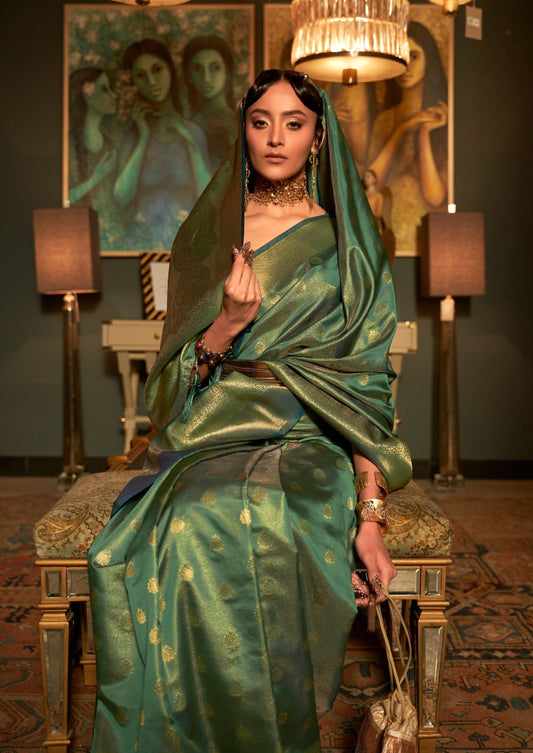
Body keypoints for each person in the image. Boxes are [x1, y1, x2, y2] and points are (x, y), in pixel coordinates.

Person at [88, 69, 412, 753]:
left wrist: (371, 514)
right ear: (243, 128)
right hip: (215, 429)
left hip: (308, 433)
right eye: (260, 120)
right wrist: (227, 324)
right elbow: (173, 385)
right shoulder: (210, 233)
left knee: (262, 513)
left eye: (293, 123)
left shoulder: (346, 245)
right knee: (177, 521)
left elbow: (364, 384)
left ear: (317, 136)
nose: (275, 136)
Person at [114, 38, 211, 250]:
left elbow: (208, 197)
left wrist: (189, 141)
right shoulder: (134, 135)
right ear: (134, 82)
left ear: (170, 69)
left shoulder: (193, 132)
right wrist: (143, 137)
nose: (151, 81)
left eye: (157, 69)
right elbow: (122, 196)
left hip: (186, 247)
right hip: (142, 241)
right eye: (141, 75)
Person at [365, 21, 448, 251]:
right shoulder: (385, 119)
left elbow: (435, 197)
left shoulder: (441, 119)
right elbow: (371, 181)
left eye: (414, 55)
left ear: (429, 59)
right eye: (400, 56)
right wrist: (402, 129)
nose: (407, 65)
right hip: (383, 237)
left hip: (429, 241)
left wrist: (423, 132)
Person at [182, 34, 239, 172]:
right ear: (189, 75)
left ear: (227, 72)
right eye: (198, 69)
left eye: (215, 68)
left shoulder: (243, 122)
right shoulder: (186, 127)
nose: (206, 78)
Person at [68, 67, 118, 213]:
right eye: (104, 90)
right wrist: (96, 178)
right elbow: (65, 200)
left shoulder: (110, 145)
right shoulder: (70, 144)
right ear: (88, 97)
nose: (113, 95)